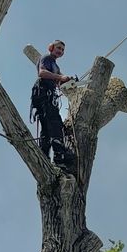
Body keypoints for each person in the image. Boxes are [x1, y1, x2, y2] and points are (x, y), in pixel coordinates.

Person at [30, 40, 76, 171]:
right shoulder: (46, 58)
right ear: (51, 48)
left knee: (46, 128)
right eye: (58, 48)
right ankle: (59, 155)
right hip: (44, 96)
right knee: (55, 123)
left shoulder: (55, 65)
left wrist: (68, 80)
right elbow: (42, 73)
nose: (60, 51)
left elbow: (59, 80)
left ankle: (43, 155)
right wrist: (60, 78)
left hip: (47, 97)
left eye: (62, 50)